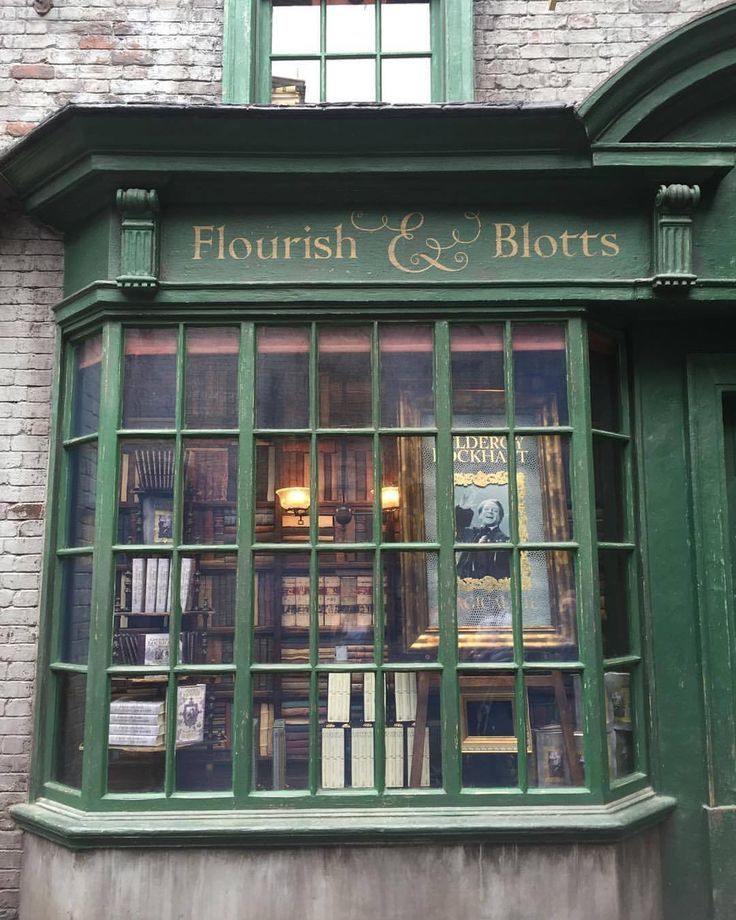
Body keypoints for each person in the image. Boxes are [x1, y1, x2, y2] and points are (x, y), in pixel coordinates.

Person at [455, 497, 511, 579]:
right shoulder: (471, 533)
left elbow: (504, 571)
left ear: (500, 518)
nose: (490, 512)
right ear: (480, 515)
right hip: (465, 585)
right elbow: (455, 530)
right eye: (486, 509)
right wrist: (463, 510)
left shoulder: (504, 540)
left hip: (491, 587)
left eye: (495, 511)